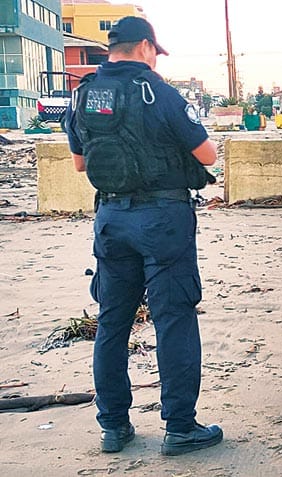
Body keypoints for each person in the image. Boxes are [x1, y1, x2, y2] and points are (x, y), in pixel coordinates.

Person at [64, 16, 222, 456]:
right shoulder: (160, 92)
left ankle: (113, 426)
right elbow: (206, 153)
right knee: (173, 319)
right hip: (163, 218)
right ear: (147, 48)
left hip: (111, 217)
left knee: (112, 322)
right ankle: (180, 427)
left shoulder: (83, 96)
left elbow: (80, 164)